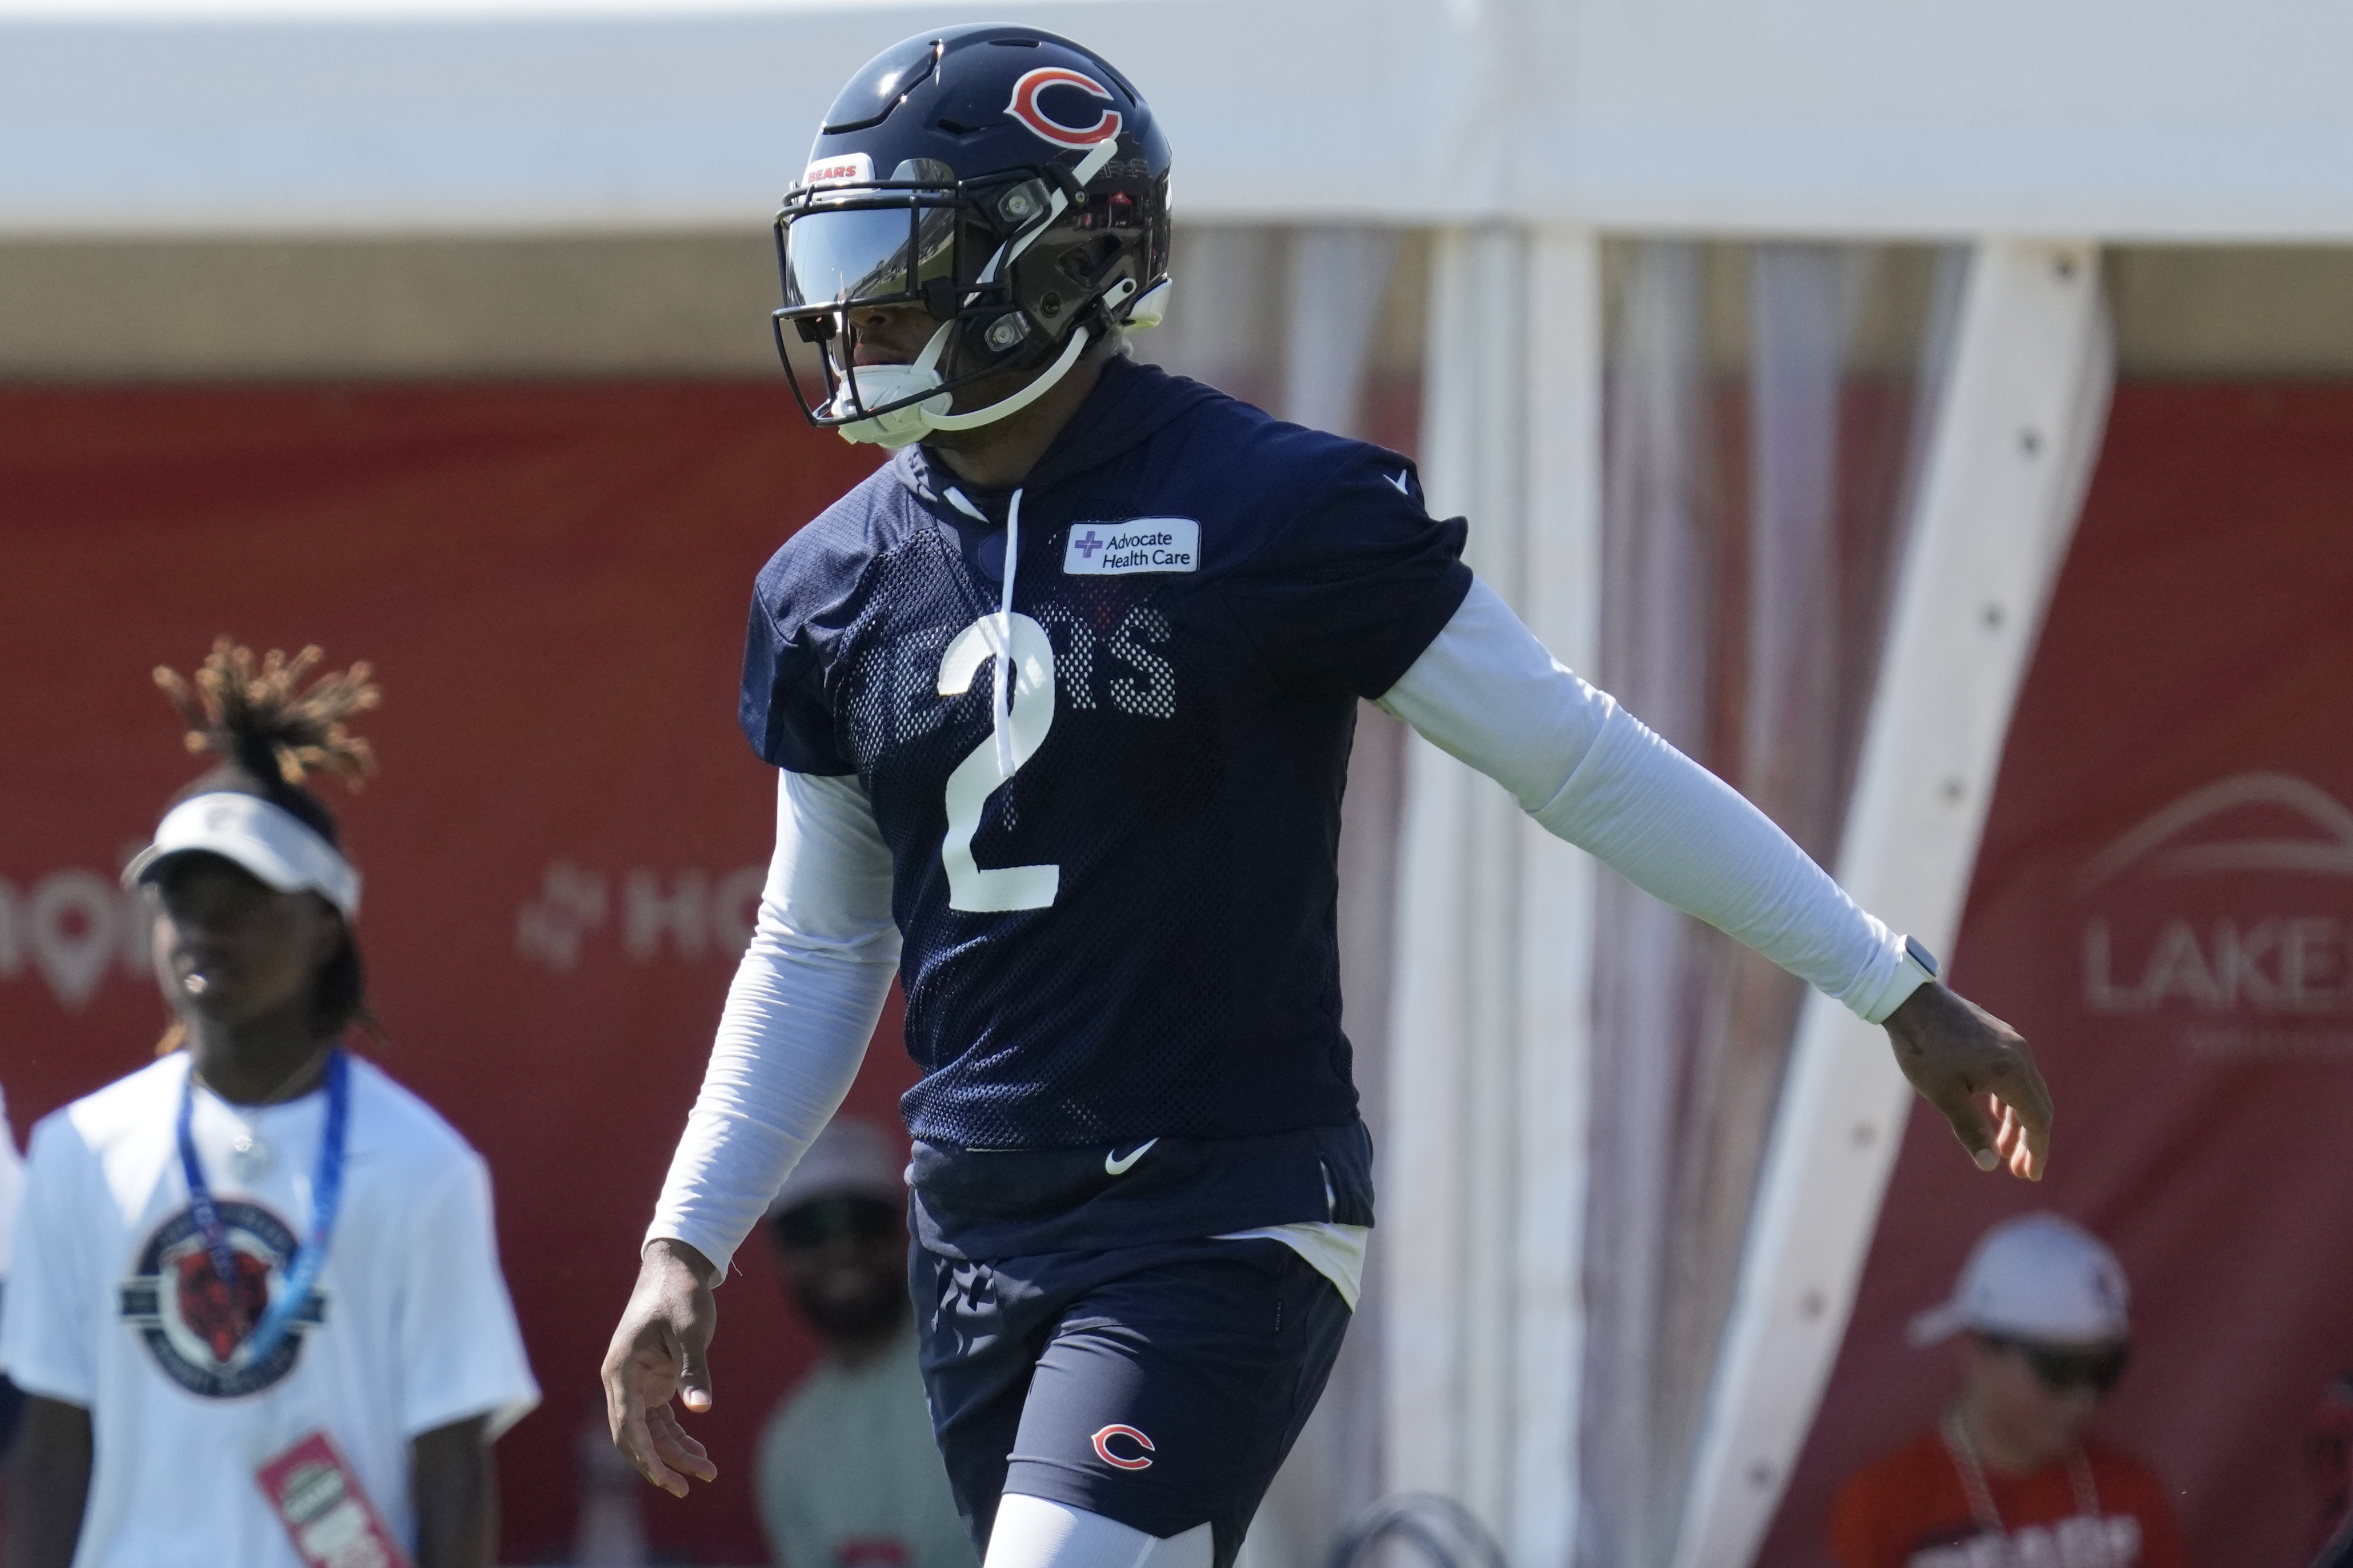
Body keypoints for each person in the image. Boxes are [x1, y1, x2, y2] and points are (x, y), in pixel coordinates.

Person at [601, 26, 2056, 1568]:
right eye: (843, 260)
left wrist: (1884, 981)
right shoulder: (825, 583)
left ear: (1050, 261)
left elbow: (1571, 754)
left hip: (1215, 1207)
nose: (853, 308)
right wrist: (685, 1236)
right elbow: (822, 944)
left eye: (903, 258)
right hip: (975, 1226)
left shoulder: (1274, 506)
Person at [1, 639, 539, 1568]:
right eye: (182, 899)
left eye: (242, 897)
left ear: (325, 923)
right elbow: (51, 1448)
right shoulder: (76, 1150)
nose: (205, 925)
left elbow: (453, 1468)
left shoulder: (425, 1168)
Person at [1830, 1214, 2187, 1568]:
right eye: (2060, 1369)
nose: (2083, 1397)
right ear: (1977, 1352)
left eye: (2105, 1370)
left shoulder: (2130, 1490)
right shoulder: (1884, 1501)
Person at [755, 1117, 974, 1568]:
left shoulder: (986, 1372)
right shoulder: (789, 1444)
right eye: (810, 1228)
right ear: (779, 1252)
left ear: (907, 1229)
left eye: (864, 1218)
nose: (843, 1246)